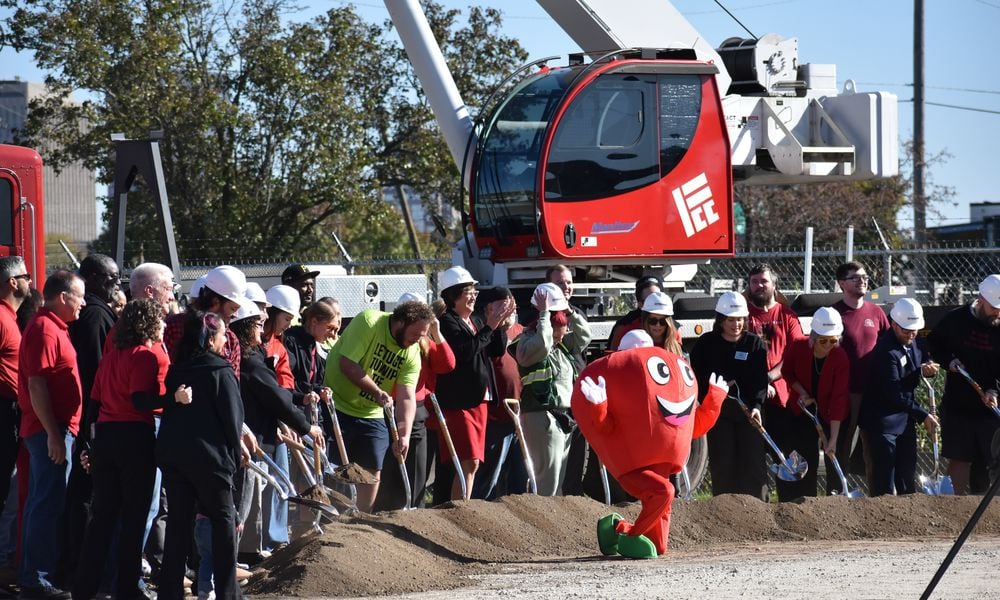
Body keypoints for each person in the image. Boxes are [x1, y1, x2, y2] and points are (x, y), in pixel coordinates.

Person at [72, 299, 187, 600]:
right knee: (134, 519)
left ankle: (84, 587)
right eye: (160, 319)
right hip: (134, 437)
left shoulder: (111, 357)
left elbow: (93, 406)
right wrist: (174, 398)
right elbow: (140, 401)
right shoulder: (146, 357)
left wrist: (91, 445)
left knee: (102, 518)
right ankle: (125, 589)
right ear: (150, 323)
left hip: (106, 438)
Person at [157, 311, 246, 600]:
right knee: (223, 524)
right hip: (210, 459)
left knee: (178, 525)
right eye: (222, 336)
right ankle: (227, 593)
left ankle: (169, 592)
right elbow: (232, 421)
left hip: (175, 456)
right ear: (210, 339)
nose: (225, 342)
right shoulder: (220, 371)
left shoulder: (178, 369)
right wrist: (235, 455)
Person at [323, 301, 434, 513]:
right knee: (335, 469)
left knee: (372, 469)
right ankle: (331, 519)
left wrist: (404, 434)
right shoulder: (369, 322)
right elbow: (347, 364)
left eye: (423, 335)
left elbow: (407, 397)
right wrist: (377, 391)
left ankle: (361, 519)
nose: (418, 340)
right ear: (401, 322)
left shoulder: (411, 352)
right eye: (416, 333)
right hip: (336, 405)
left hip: (371, 413)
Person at [231, 300, 321, 553]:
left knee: (253, 499)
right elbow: (275, 395)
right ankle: (237, 558)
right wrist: (305, 427)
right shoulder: (249, 360)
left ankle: (248, 552)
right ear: (246, 327)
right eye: (258, 324)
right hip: (250, 439)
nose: (263, 330)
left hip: (259, 434)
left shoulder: (252, 355)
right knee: (243, 502)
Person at [18, 270, 85, 599]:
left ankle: (36, 576)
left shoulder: (53, 327)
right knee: (46, 504)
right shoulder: (45, 328)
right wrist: (53, 436)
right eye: (79, 296)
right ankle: (36, 580)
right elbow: (36, 384)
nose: (83, 303)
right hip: (50, 429)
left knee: (42, 503)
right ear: (63, 297)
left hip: (54, 428)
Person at [60, 254, 121, 587]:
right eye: (111, 279)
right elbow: (98, 372)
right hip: (92, 418)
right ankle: (80, 569)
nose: (116, 286)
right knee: (85, 495)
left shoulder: (96, 312)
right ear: (95, 278)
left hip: (89, 416)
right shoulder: (97, 316)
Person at [433, 267, 515, 501]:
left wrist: (500, 325)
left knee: (474, 462)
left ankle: (464, 504)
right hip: (459, 402)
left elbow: (496, 350)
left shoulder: (474, 321)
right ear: (454, 295)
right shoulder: (448, 322)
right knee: (467, 460)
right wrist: (490, 325)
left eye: (474, 291)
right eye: (468, 291)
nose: (474, 295)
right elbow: (465, 352)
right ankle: (459, 509)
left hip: (479, 401)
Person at [510, 282, 592, 496]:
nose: (564, 333)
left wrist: (569, 310)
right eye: (561, 325)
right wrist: (546, 313)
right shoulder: (528, 343)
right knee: (547, 480)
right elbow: (542, 345)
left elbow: (584, 336)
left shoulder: (562, 346)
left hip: (561, 417)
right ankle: (539, 523)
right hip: (541, 415)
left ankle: (548, 522)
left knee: (557, 480)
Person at [375, 293, 454, 511]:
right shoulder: (389, 338)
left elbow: (447, 364)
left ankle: (414, 511)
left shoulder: (425, 340)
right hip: (386, 406)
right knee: (388, 471)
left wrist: (436, 334)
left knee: (416, 470)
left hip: (416, 409)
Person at [688, 291, 769, 501]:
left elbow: (761, 380)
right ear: (721, 321)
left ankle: (757, 511)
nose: (736, 325)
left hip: (749, 414)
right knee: (723, 463)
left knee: (753, 464)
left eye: (740, 319)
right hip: (718, 414)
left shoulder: (754, 344)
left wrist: (757, 407)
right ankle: (723, 512)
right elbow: (697, 378)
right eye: (731, 320)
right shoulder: (706, 344)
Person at [927, 274, 1000, 495]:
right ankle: (953, 510)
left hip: (990, 409)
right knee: (960, 458)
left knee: (992, 460)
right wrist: (948, 361)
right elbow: (934, 344)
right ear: (980, 299)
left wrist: (994, 389)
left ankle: (990, 512)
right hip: (958, 406)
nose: (998, 312)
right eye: (994, 307)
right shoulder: (955, 320)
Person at [860, 298, 939, 496]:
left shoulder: (915, 341)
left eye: (915, 330)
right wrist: (923, 414)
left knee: (907, 473)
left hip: (905, 418)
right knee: (885, 475)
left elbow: (922, 352)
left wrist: (927, 364)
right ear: (894, 324)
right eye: (906, 330)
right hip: (883, 420)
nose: (911, 334)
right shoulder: (886, 351)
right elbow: (893, 392)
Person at [745, 264, 804, 498]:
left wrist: (770, 377)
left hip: (781, 398)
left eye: (764, 281)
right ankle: (759, 505)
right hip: (752, 398)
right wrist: (759, 382)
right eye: (755, 282)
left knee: (784, 453)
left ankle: (788, 504)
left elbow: (794, 352)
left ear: (774, 284)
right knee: (755, 456)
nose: (759, 286)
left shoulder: (786, 315)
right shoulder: (744, 316)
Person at [781, 307, 851, 497]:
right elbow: (787, 372)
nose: (828, 345)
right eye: (823, 340)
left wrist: (833, 439)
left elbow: (839, 398)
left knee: (833, 456)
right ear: (813, 336)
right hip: (802, 411)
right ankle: (803, 500)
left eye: (834, 340)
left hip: (830, 414)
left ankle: (835, 500)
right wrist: (802, 392)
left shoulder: (840, 357)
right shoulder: (798, 346)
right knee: (805, 458)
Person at [831, 261, 890, 481]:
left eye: (864, 276)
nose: (862, 280)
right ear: (841, 284)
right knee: (843, 445)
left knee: (873, 448)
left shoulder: (876, 312)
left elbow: (888, 345)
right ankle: (839, 492)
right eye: (855, 277)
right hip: (847, 392)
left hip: (874, 392)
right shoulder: (834, 313)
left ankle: (877, 496)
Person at [0, 257, 29, 515]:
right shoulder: (1, 317)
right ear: (12, 282)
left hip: (11, 410)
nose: (29, 281)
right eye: (26, 277)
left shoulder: (10, 318)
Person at [608, 275, 662, 352]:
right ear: (640, 304)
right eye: (649, 300)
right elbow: (613, 358)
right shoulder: (624, 326)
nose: (655, 302)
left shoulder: (673, 328)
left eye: (659, 298)